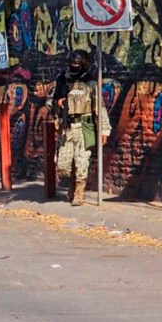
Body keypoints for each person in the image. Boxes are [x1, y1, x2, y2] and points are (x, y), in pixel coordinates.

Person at [52, 49, 111, 206]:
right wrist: (57, 105)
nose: (74, 66)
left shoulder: (90, 84)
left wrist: (105, 130)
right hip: (67, 127)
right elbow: (51, 101)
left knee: (82, 161)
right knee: (64, 164)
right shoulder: (62, 81)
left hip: (85, 126)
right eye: (72, 63)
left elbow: (100, 107)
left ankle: (79, 192)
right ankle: (71, 185)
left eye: (78, 64)